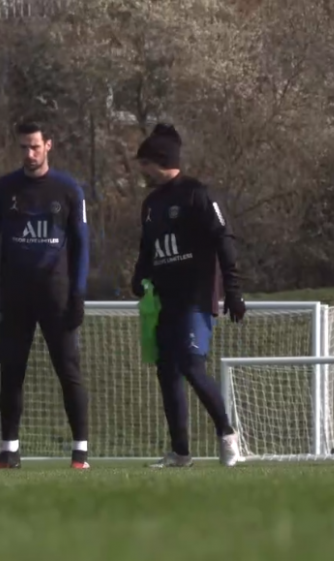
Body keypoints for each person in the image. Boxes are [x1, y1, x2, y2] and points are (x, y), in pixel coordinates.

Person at [0, 121, 90, 470]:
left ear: (48, 145)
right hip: (14, 294)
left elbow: (82, 244)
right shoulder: (3, 189)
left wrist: (78, 294)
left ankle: (80, 453)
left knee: (68, 370)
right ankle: (9, 452)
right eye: (23, 147)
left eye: (35, 146)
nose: (29, 153)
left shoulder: (68, 189)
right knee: (11, 371)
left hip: (56, 294)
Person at [130, 123, 243, 468]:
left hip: (195, 297)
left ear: (160, 160)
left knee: (193, 366)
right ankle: (180, 452)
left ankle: (227, 436)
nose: (142, 172)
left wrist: (234, 290)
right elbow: (148, 247)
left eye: (145, 165)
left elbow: (224, 239)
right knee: (167, 371)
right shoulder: (151, 204)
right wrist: (139, 275)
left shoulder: (197, 194)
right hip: (165, 300)